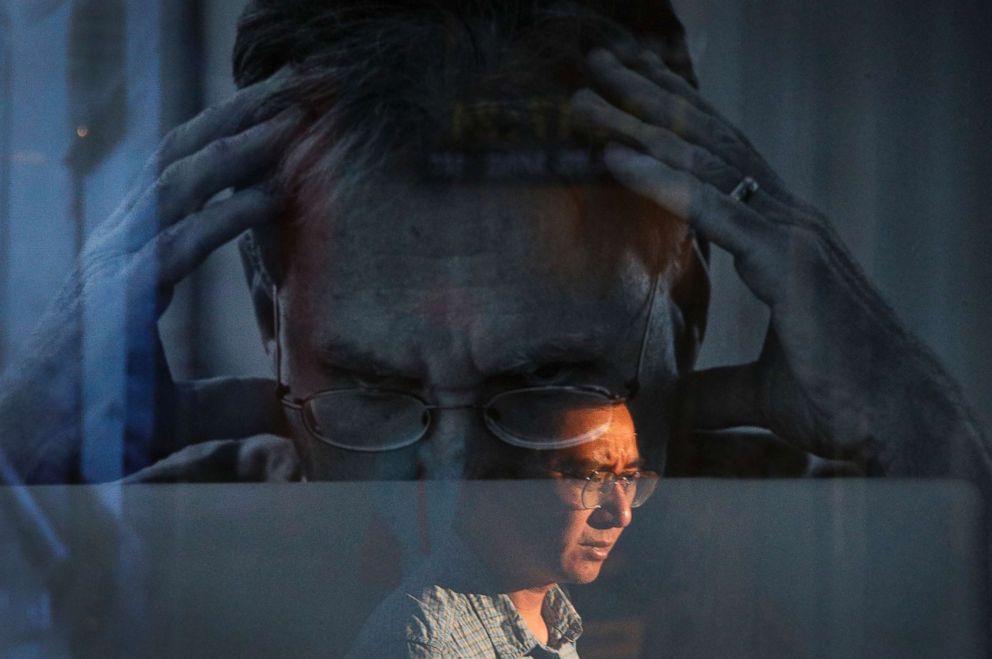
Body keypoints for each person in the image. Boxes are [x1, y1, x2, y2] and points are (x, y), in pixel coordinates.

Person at [0, 0, 988, 505]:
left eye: (550, 380)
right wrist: (18, 473)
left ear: (682, 305)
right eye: (371, 389)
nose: (455, 485)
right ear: (271, 321)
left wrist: (931, 455)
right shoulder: (155, 560)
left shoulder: (822, 564)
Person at [346, 402, 658, 657]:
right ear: (501, 485)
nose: (622, 514)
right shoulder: (427, 644)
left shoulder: (551, 612)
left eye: (629, 479)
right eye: (590, 478)